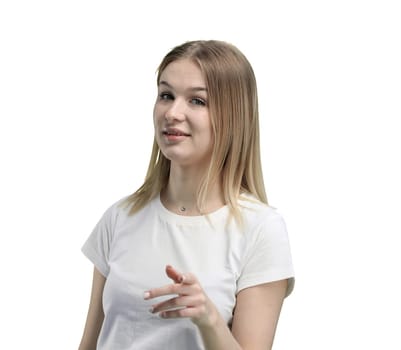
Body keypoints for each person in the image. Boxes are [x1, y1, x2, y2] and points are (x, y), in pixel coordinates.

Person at [78, 40, 295, 350]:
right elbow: (89, 344)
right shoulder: (119, 218)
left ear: (233, 116)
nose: (172, 112)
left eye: (197, 101)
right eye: (166, 96)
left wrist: (209, 318)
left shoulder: (261, 230)